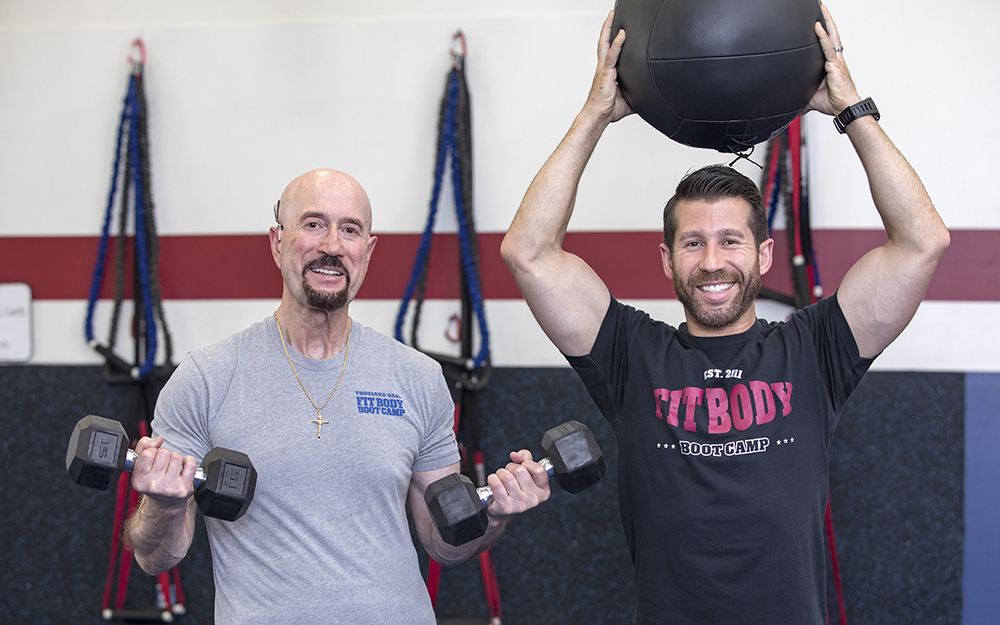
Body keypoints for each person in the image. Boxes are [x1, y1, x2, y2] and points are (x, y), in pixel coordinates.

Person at [500, 5, 949, 624]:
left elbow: (923, 242)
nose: (713, 262)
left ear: (763, 254)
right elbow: (527, 252)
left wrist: (850, 108)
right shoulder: (631, 356)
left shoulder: (816, 350)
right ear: (667, 259)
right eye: (693, 242)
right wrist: (594, 114)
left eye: (731, 241)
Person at [125, 169, 552, 624]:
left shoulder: (418, 378)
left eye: (349, 229)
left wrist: (495, 515)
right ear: (277, 241)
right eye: (312, 224)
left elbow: (445, 542)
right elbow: (156, 558)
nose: (331, 245)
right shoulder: (206, 379)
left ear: (367, 251)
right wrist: (165, 503)